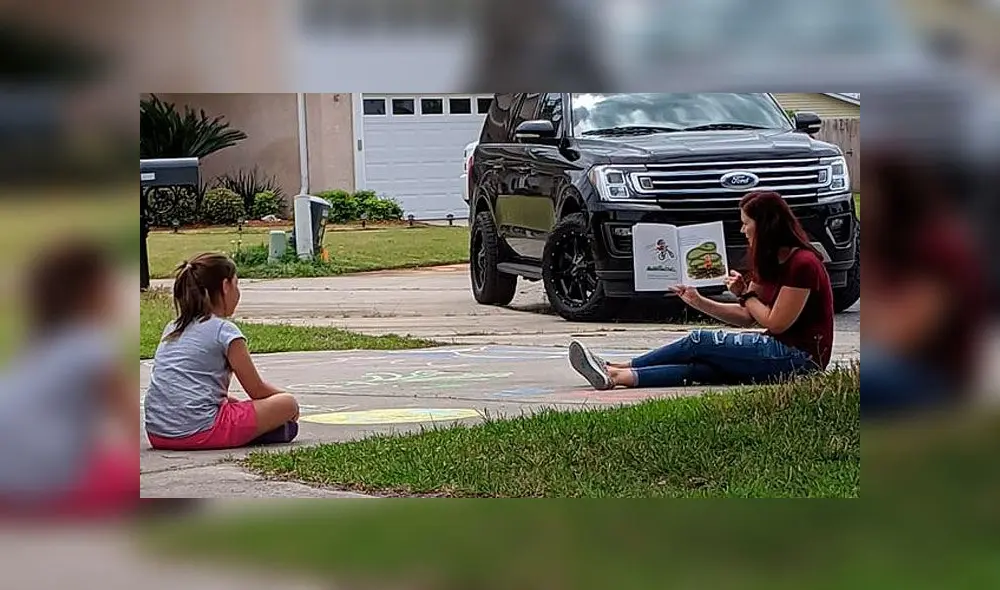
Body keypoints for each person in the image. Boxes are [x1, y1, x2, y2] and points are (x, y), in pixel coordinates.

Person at [569, 191, 835, 390]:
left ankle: (620, 365)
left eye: (746, 223)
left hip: (798, 358)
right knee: (702, 368)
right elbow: (747, 317)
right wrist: (698, 301)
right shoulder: (769, 262)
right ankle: (616, 376)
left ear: (766, 226)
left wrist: (745, 294)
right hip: (779, 351)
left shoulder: (803, 264)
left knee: (700, 341)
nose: (742, 230)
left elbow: (776, 322)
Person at [0, 238, 138, 519]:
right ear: (92, 292)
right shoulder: (92, 344)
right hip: (41, 477)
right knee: (126, 476)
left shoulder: (38, 341)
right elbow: (130, 420)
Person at [144, 253, 300, 450]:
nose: (238, 292)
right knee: (287, 403)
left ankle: (263, 431)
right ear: (226, 286)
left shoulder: (172, 328)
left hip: (158, 433)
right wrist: (288, 404)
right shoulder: (224, 331)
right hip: (200, 430)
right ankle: (265, 430)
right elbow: (256, 389)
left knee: (230, 402)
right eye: (236, 284)